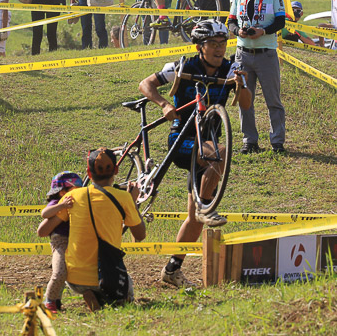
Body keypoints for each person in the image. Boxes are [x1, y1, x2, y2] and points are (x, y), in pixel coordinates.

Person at [138, 19, 251, 287]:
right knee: (221, 153)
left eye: (222, 44)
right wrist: (164, 104)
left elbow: (246, 104)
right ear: (200, 46)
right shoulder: (182, 65)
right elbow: (146, 84)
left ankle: (172, 268)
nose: (219, 49)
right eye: (213, 44)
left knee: (195, 218)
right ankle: (205, 206)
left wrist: (242, 84)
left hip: (208, 145)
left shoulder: (231, 68)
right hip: (182, 140)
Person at [37, 148, 145, 311]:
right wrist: (134, 202)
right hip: (109, 277)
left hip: (75, 280)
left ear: (88, 172)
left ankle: (87, 295)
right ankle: (103, 298)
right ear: (116, 170)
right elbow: (140, 235)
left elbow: (44, 230)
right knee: (127, 286)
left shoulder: (72, 197)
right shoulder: (124, 198)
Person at [227, 0, 287, 154]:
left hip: (266, 54)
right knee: (245, 99)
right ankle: (249, 140)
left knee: (273, 100)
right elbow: (231, 21)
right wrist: (238, 32)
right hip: (243, 54)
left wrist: (263, 31)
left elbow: (280, 21)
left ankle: (277, 141)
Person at [38, 171, 84, 314]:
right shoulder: (58, 202)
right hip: (60, 241)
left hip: (75, 240)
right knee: (59, 272)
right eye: (74, 190)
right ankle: (49, 300)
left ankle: (56, 299)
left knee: (66, 273)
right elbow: (44, 214)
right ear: (61, 192)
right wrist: (62, 206)